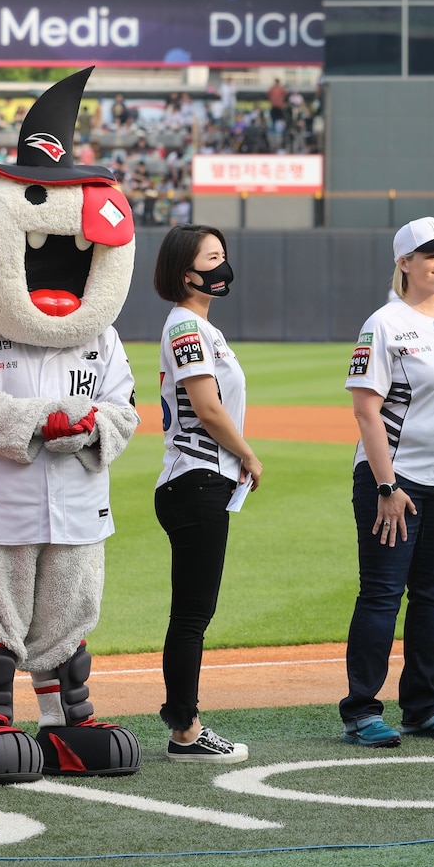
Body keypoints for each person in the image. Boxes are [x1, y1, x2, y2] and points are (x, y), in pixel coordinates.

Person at [340, 217, 434, 747]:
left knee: (433, 596)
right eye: (430, 254)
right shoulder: (383, 324)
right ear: (404, 262)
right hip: (395, 481)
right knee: (382, 594)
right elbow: (365, 411)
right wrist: (385, 486)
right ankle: (361, 710)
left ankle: (425, 708)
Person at [152, 224, 263, 763]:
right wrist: (247, 452)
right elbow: (208, 407)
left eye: (224, 255)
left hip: (195, 479)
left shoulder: (194, 326)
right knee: (193, 614)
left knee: (193, 611)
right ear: (185, 273)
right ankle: (186, 730)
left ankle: (185, 724)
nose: (222, 267)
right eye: (211, 258)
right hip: (196, 478)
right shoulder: (186, 327)